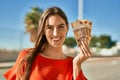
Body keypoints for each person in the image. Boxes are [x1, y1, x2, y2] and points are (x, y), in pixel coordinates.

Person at [4, 6, 92, 80]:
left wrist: (77, 64)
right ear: (43, 30)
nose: (55, 33)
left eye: (61, 27)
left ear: (67, 28)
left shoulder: (72, 63)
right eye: (49, 27)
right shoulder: (27, 56)